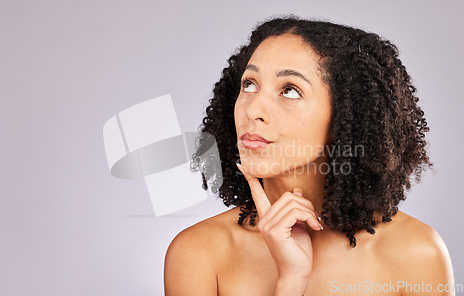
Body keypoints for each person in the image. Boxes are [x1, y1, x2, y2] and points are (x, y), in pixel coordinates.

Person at [164, 15, 455, 295]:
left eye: (290, 90)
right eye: (249, 84)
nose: (252, 110)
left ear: (347, 116)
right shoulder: (198, 253)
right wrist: (291, 281)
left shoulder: (416, 253)